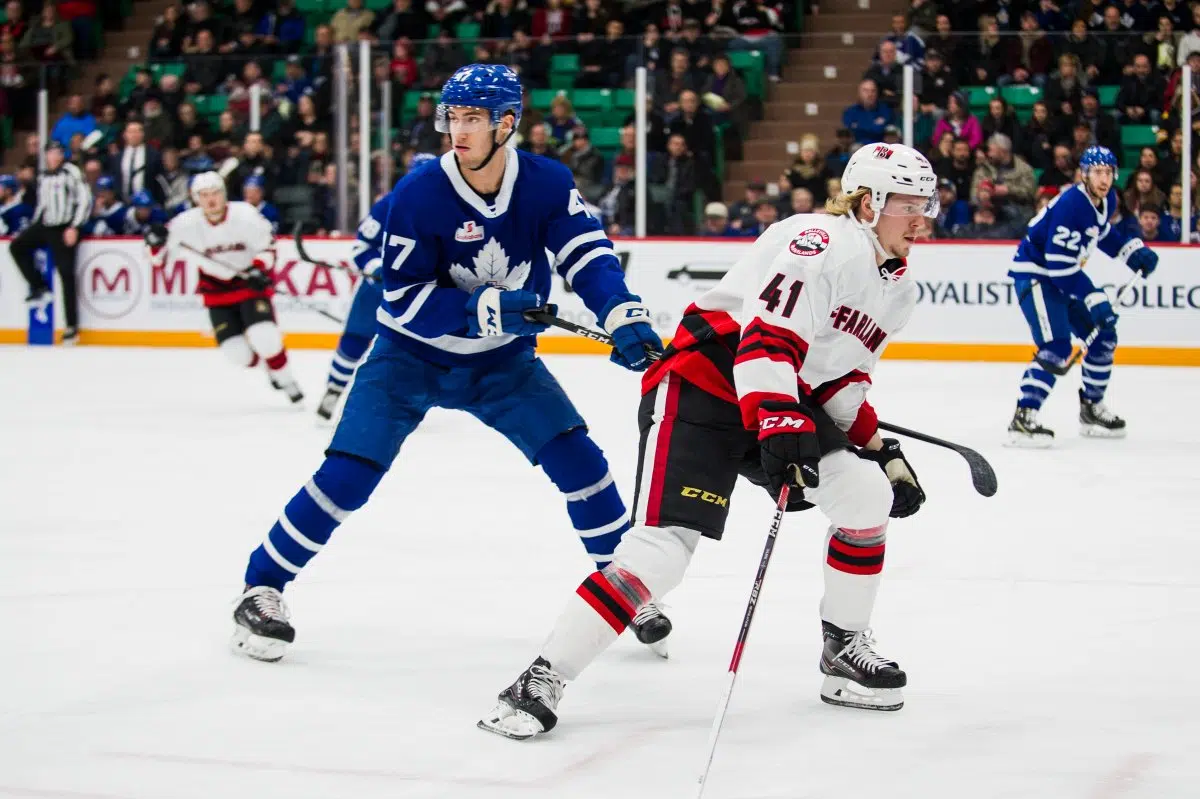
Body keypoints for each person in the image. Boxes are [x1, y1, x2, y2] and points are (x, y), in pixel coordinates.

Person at [480, 143, 938, 740]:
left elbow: (836, 378)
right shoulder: (818, 240)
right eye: (909, 203)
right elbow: (766, 341)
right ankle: (541, 679)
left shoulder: (897, 288)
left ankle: (843, 650)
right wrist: (779, 421)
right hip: (704, 386)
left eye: (927, 202)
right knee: (663, 551)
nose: (923, 216)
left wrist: (878, 445)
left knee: (865, 496)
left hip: (776, 395)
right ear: (869, 202)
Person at [229, 64, 673, 664]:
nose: (457, 131)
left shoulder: (545, 182)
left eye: (472, 118)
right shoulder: (419, 193)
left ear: (507, 122)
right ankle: (263, 586)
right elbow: (402, 296)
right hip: (407, 360)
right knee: (349, 475)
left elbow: (586, 254)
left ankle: (624, 589)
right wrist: (486, 307)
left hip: (503, 366)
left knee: (581, 464)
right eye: (453, 117)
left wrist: (622, 313)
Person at [1007, 146, 1159, 446]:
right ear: (1085, 174)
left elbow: (1101, 235)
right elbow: (1059, 266)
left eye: (1108, 173)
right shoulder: (1071, 205)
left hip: (1061, 278)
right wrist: (1094, 296)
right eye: (1097, 172)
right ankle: (1023, 417)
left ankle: (1091, 408)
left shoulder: (1106, 199)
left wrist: (1132, 253)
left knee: (1103, 337)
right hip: (1037, 276)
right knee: (1057, 346)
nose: (1103, 179)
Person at [145, 172, 304, 404]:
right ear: (195, 198)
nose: (211, 200)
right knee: (236, 353)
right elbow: (158, 260)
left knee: (265, 337)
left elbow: (268, 245)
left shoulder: (245, 215)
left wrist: (259, 268)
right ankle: (269, 370)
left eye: (215, 193)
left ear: (224, 194)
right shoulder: (184, 224)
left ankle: (287, 380)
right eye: (204, 195)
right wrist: (154, 242)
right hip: (216, 292)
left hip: (248, 283)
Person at [9, 142, 91, 344]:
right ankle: (40, 287)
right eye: (51, 153)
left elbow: (84, 199)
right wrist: (33, 226)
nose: (54, 156)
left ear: (62, 155)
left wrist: (75, 226)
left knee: (66, 273)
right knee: (17, 247)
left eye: (57, 153)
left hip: (64, 227)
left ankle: (71, 325)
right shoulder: (44, 175)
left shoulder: (71, 172)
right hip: (46, 225)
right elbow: (43, 204)